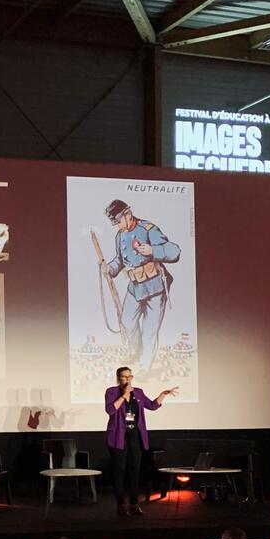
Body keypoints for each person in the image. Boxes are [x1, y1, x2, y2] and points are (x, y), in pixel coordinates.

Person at [100, 199, 181, 373]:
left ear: (127, 214)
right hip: (135, 287)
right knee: (127, 321)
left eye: (119, 221)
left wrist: (153, 251)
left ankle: (145, 366)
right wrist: (110, 268)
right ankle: (136, 353)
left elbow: (175, 251)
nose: (118, 226)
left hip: (155, 287)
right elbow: (120, 260)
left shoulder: (148, 229)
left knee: (149, 330)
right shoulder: (120, 236)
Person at [105, 366, 178, 515]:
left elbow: (151, 405)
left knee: (134, 471)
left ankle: (134, 504)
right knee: (119, 472)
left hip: (134, 436)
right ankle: (121, 506)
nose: (127, 379)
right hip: (118, 436)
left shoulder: (138, 392)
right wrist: (123, 396)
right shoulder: (112, 391)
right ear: (119, 378)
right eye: (124, 377)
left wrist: (162, 395)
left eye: (129, 376)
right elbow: (110, 410)